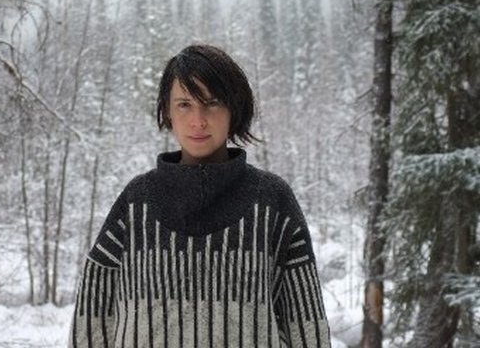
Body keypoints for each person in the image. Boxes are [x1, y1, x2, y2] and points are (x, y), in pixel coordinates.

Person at [69, 44, 332, 347]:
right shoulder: (136, 203)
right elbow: (92, 319)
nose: (198, 120)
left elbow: (307, 326)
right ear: (167, 111)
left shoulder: (272, 201)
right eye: (184, 104)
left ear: (234, 109)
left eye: (213, 103)